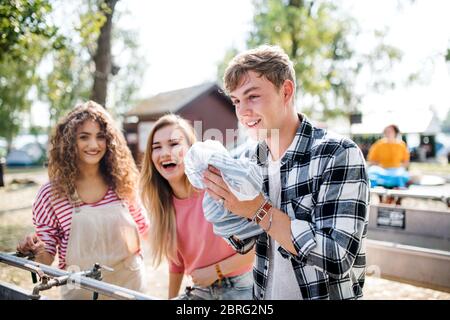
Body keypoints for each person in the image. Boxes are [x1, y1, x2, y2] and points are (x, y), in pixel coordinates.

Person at [202, 45, 369, 300]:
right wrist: (224, 206)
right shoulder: (249, 160)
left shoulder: (337, 153)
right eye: (236, 101)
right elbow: (244, 242)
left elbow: (338, 256)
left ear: (286, 91)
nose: (242, 111)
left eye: (252, 96)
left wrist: (258, 210)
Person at [17, 101, 149, 299]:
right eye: (84, 137)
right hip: (80, 291)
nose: (94, 145)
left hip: (129, 288)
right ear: (70, 142)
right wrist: (35, 249)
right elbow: (46, 257)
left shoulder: (123, 184)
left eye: (100, 137)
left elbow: (146, 231)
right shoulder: (52, 195)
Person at [139, 114, 254, 300]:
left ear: (191, 149)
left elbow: (260, 248)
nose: (165, 153)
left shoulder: (217, 187)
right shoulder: (163, 206)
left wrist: (216, 271)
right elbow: (176, 264)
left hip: (242, 288)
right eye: (156, 147)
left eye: (174, 144)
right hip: (200, 291)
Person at [367, 125, 410, 189]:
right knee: (371, 172)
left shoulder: (401, 145)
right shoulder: (378, 144)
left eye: (390, 131)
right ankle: (371, 190)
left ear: (395, 133)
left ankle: (400, 189)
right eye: (386, 131)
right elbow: (371, 161)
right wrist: (379, 165)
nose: (388, 133)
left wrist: (398, 167)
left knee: (402, 176)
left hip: (396, 171)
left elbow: (406, 162)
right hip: (381, 170)